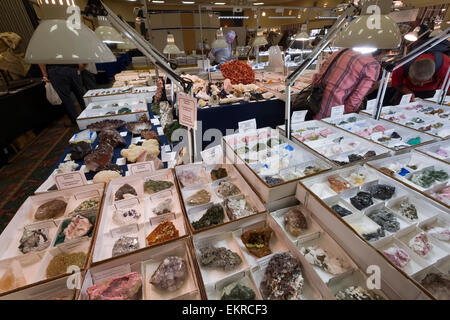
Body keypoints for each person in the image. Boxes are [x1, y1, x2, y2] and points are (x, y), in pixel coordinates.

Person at [311, 48, 387, 120]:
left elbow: (318, 78)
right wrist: (347, 115)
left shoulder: (341, 51)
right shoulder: (372, 65)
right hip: (334, 115)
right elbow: (355, 99)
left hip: (314, 105)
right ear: (383, 52)